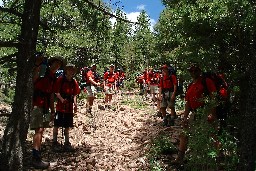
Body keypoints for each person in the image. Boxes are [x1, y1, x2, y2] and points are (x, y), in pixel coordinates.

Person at [173, 63, 217, 165]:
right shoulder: (190, 85)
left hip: (205, 112)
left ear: (199, 71)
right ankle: (180, 158)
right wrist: (184, 117)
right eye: (191, 71)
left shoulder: (206, 82)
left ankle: (210, 160)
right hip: (194, 113)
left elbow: (213, 98)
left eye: (195, 70)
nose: (193, 72)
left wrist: (212, 113)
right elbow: (188, 103)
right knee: (184, 134)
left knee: (208, 135)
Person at [31, 55, 64, 169]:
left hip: (45, 107)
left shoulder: (53, 77)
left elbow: (51, 95)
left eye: (59, 65)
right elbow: (33, 81)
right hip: (37, 104)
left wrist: (53, 110)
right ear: (51, 63)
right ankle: (36, 158)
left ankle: (37, 156)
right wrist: (37, 65)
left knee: (41, 130)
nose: (57, 65)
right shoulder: (42, 70)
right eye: (56, 63)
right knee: (38, 130)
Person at [52, 64, 80, 152]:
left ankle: (67, 143)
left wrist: (75, 104)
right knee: (57, 124)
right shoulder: (60, 79)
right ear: (66, 70)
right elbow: (56, 91)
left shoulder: (74, 82)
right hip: (60, 106)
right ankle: (54, 142)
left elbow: (75, 94)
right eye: (69, 70)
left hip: (69, 107)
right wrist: (61, 99)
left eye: (72, 70)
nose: (71, 71)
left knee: (67, 125)